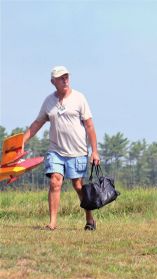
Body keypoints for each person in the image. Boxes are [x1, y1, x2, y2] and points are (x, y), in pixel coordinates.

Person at [23, 66, 100, 231]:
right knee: (55, 182)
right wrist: (21, 142)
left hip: (77, 151)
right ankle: (52, 223)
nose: (65, 80)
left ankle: (90, 219)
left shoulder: (79, 98)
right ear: (53, 82)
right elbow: (37, 123)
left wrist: (94, 151)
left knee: (78, 186)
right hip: (56, 151)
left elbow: (90, 126)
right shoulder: (49, 102)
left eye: (66, 77)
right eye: (61, 78)